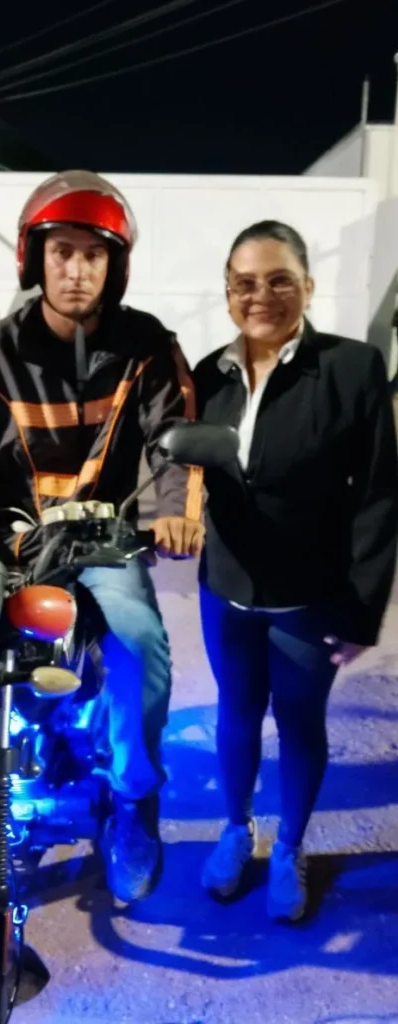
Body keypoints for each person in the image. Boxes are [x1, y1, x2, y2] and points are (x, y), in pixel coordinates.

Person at [0, 170, 204, 903]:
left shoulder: (145, 346)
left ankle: (134, 800)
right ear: (33, 257)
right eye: (62, 251)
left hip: (104, 542)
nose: (76, 270)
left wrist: (177, 510)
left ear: (115, 265)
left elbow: (176, 442)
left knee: (139, 643)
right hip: (11, 546)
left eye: (93, 255)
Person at [193, 220, 398, 922]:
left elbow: (379, 494)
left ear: (308, 287)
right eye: (245, 283)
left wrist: (362, 608)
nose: (262, 296)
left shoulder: (352, 368)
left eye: (280, 280)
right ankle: (234, 830)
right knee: (236, 713)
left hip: (309, 596)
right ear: (228, 292)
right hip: (226, 587)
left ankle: (288, 847)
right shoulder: (207, 375)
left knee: (300, 721)